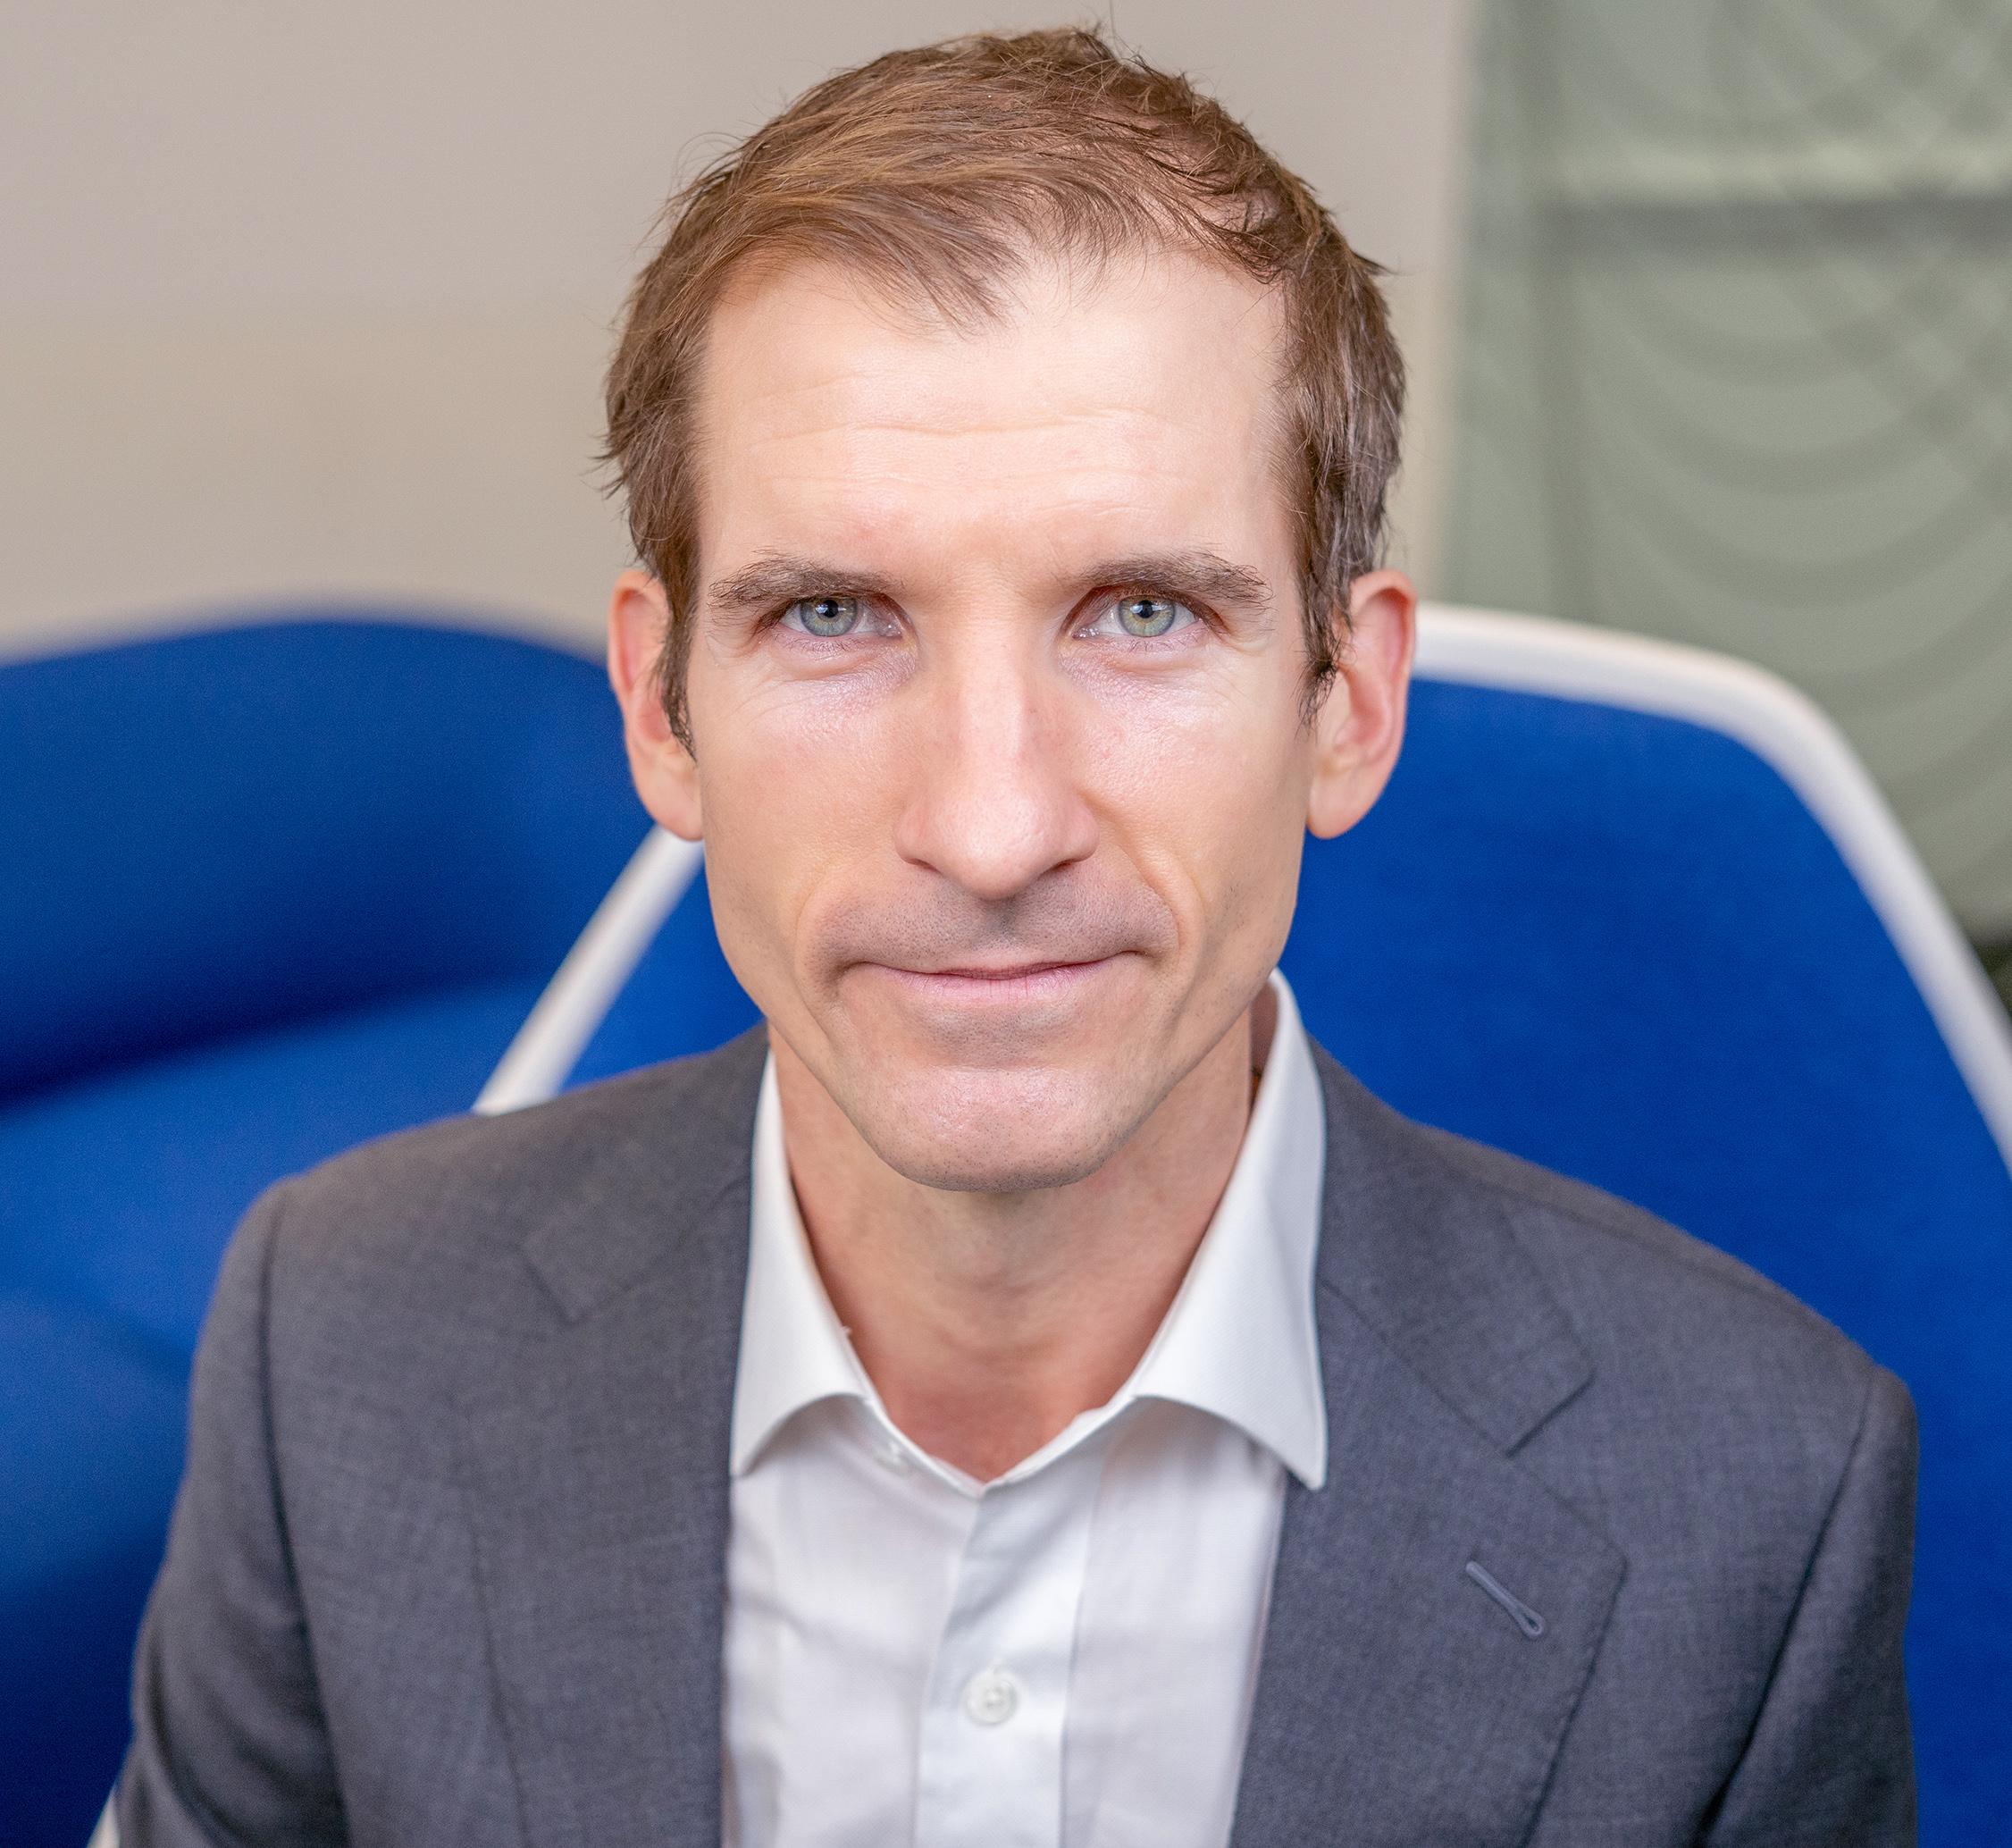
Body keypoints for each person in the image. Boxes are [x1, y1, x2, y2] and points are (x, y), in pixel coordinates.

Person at [113, 25, 1917, 1848]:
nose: (990, 825)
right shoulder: (337, 1346)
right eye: (833, 614)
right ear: (660, 712)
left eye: (1139, 611)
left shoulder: (1757, 1499)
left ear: (1346, 704)